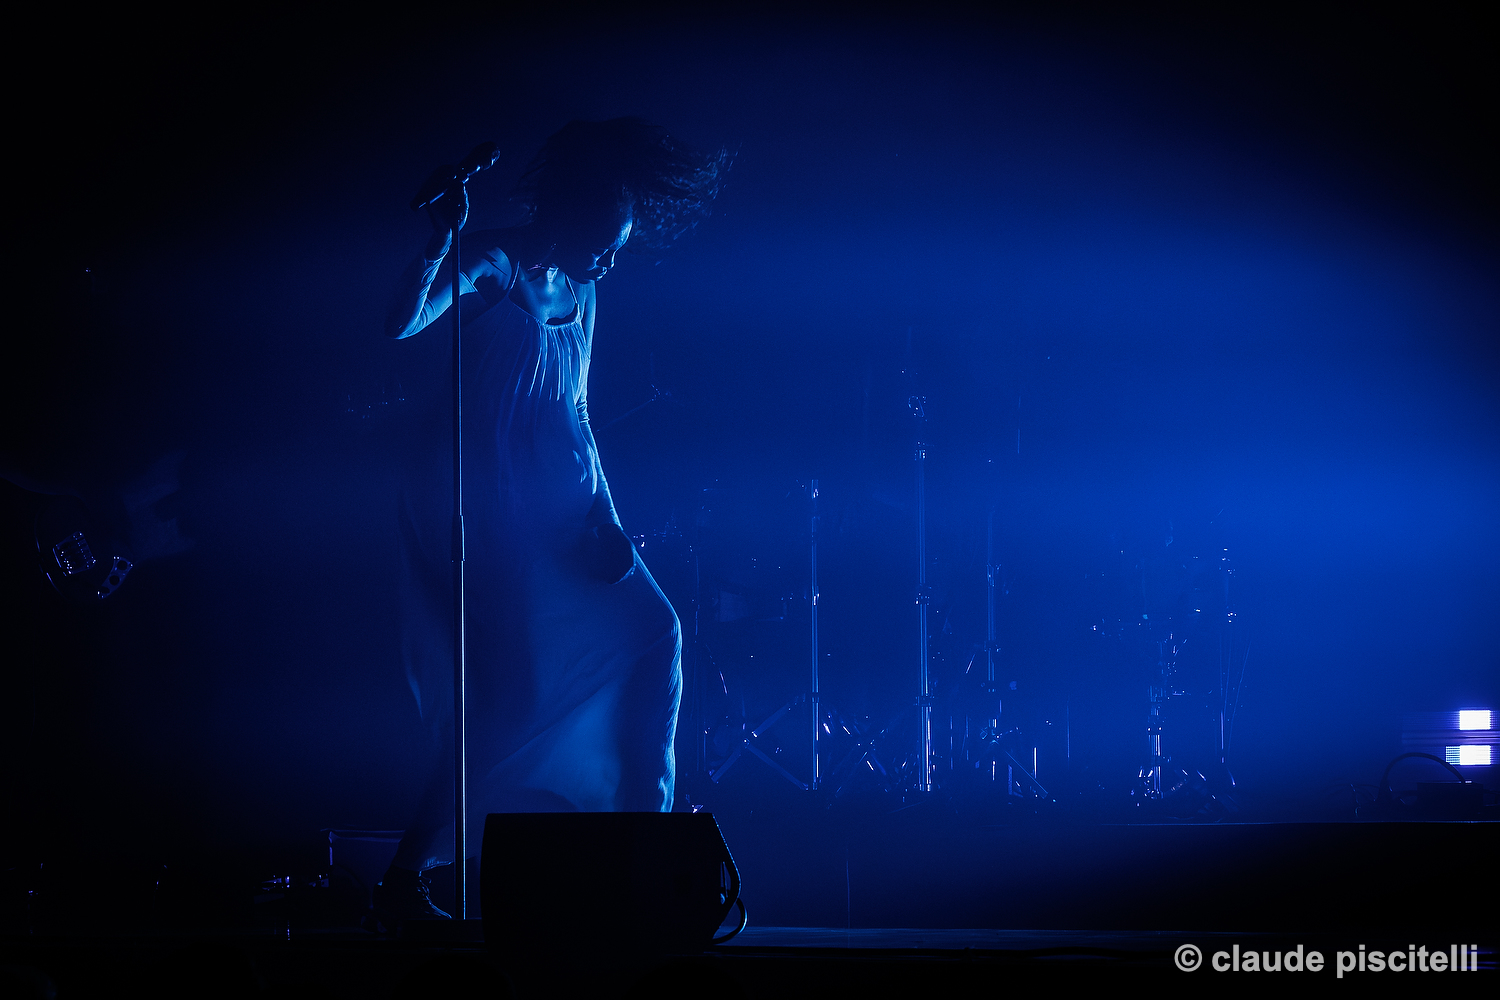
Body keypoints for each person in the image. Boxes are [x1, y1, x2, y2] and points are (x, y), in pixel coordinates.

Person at [373, 119, 727, 920]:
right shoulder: (493, 264)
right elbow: (401, 322)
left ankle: (644, 856)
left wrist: (609, 520)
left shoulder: (586, 292)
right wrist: (441, 243)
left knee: (655, 635)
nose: (610, 261)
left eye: (617, 248)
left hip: (571, 512)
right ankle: (403, 878)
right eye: (603, 244)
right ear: (566, 218)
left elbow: (578, 414)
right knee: (505, 698)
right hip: (494, 514)